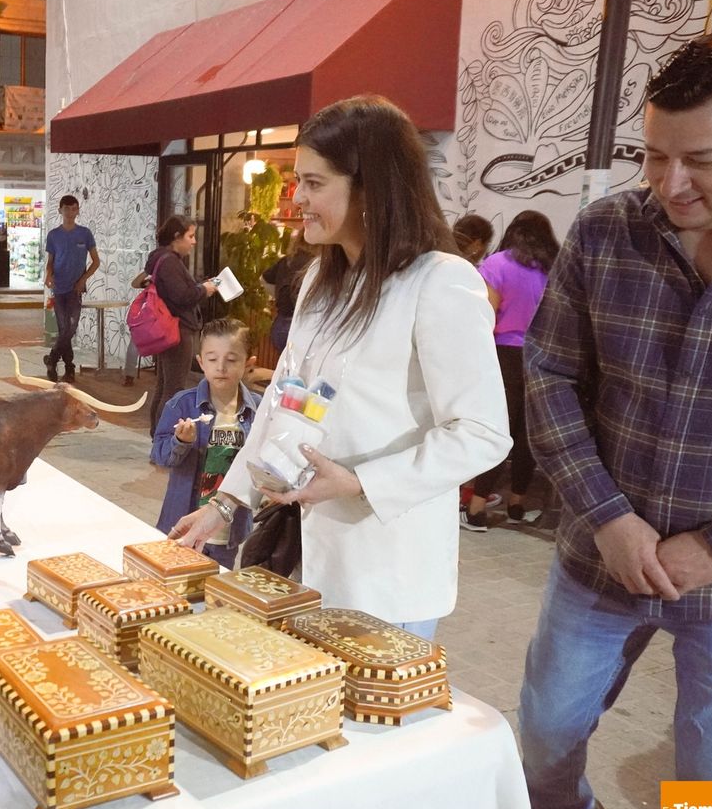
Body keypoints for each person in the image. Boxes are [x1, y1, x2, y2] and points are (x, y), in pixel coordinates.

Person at [518, 30, 712, 809]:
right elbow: (550, 375)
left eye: (702, 161)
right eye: (654, 155)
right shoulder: (608, 232)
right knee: (542, 735)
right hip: (599, 561)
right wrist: (607, 518)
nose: (670, 185)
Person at [170, 95, 510, 639]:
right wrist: (227, 502)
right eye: (299, 180)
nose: (298, 198)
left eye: (315, 183)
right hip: (301, 556)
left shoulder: (439, 282)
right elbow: (283, 404)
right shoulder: (318, 283)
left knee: (364, 718)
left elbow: (482, 433)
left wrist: (359, 482)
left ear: (371, 187)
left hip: (384, 569)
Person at [461, 209, 558, 531]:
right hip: (541, 356)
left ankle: (477, 510)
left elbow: (484, 317)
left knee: (497, 431)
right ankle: (517, 504)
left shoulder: (497, 264)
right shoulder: (552, 267)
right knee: (527, 434)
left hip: (502, 355)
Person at [151, 317, 261, 568]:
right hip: (184, 523)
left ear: (248, 364)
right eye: (212, 359)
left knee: (214, 591)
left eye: (231, 360)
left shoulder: (259, 410)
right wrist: (180, 441)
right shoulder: (182, 404)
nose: (220, 367)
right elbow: (159, 454)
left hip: (227, 530)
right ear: (200, 361)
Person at [145, 215, 220, 435]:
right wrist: (203, 289)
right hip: (177, 330)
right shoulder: (169, 261)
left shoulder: (161, 258)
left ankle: (156, 434)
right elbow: (182, 295)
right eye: (190, 236)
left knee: (164, 385)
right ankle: (164, 437)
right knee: (173, 388)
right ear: (177, 237)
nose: (194, 241)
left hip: (168, 329)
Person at [43, 194, 100, 383]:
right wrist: (48, 275)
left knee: (70, 328)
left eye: (74, 208)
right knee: (64, 328)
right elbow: (50, 262)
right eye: (66, 209)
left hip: (76, 290)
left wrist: (83, 279)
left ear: (78, 211)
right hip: (59, 289)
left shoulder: (85, 234)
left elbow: (96, 261)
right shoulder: (53, 235)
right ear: (60, 211)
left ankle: (52, 360)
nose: (70, 212)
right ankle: (68, 367)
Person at [261, 235, 318, 354]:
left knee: (286, 367)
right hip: (302, 324)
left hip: (280, 324)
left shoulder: (287, 260)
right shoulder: (318, 263)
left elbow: (263, 279)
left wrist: (278, 295)